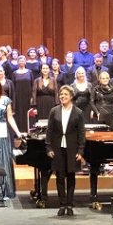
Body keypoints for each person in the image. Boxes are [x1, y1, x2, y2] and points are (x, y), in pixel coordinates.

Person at [46, 85, 87, 217]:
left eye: (65, 94)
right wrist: (49, 148)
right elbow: (49, 131)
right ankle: (62, 204)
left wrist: (80, 151)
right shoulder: (54, 111)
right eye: (61, 94)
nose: (62, 96)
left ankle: (69, 204)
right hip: (58, 148)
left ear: (71, 96)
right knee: (59, 177)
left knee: (71, 177)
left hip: (72, 149)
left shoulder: (78, 113)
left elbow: (81, 133)